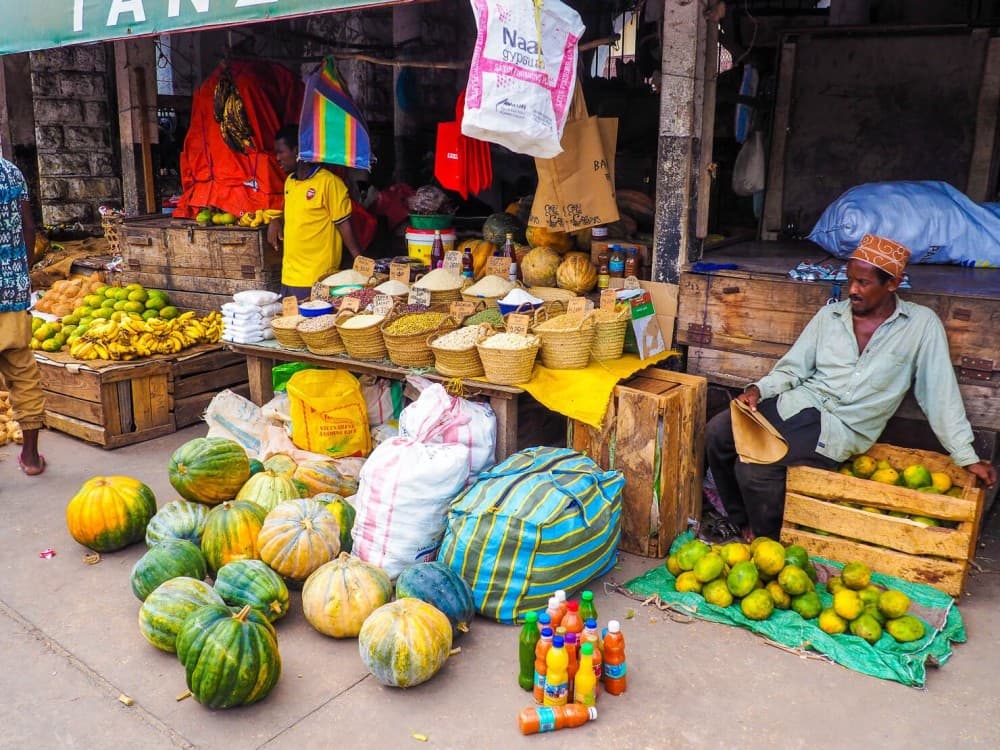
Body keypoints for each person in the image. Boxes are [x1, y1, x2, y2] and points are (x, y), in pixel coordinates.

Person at [704, 234, 997, 542]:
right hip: (798, 402)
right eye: (850, 280)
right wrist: (758, 390)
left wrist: (967, 455)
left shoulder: (921, 327)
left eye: (863, 283)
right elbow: (793, 368)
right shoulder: (829, 317)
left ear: (893, 284)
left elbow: (939, 395)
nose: (853, 290)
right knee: (717, 433)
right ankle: (740, 520)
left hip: (837, 427)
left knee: (755, 471)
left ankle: (768, 542)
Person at [268, 125, 363, 300]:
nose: (277, 158)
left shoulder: (329, 182)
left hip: (317, 277)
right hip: (290, 276)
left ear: (297, 151)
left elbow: (343, 225)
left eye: (281, 152)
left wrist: (359, 261)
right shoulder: (290, 182)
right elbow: (295, 213)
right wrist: (275, 220)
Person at [0, 156, 44, 475]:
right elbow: (29, 228)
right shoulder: (11, 172)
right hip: (12, 292)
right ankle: (30, 458)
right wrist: (22, 272)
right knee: (24, 375)